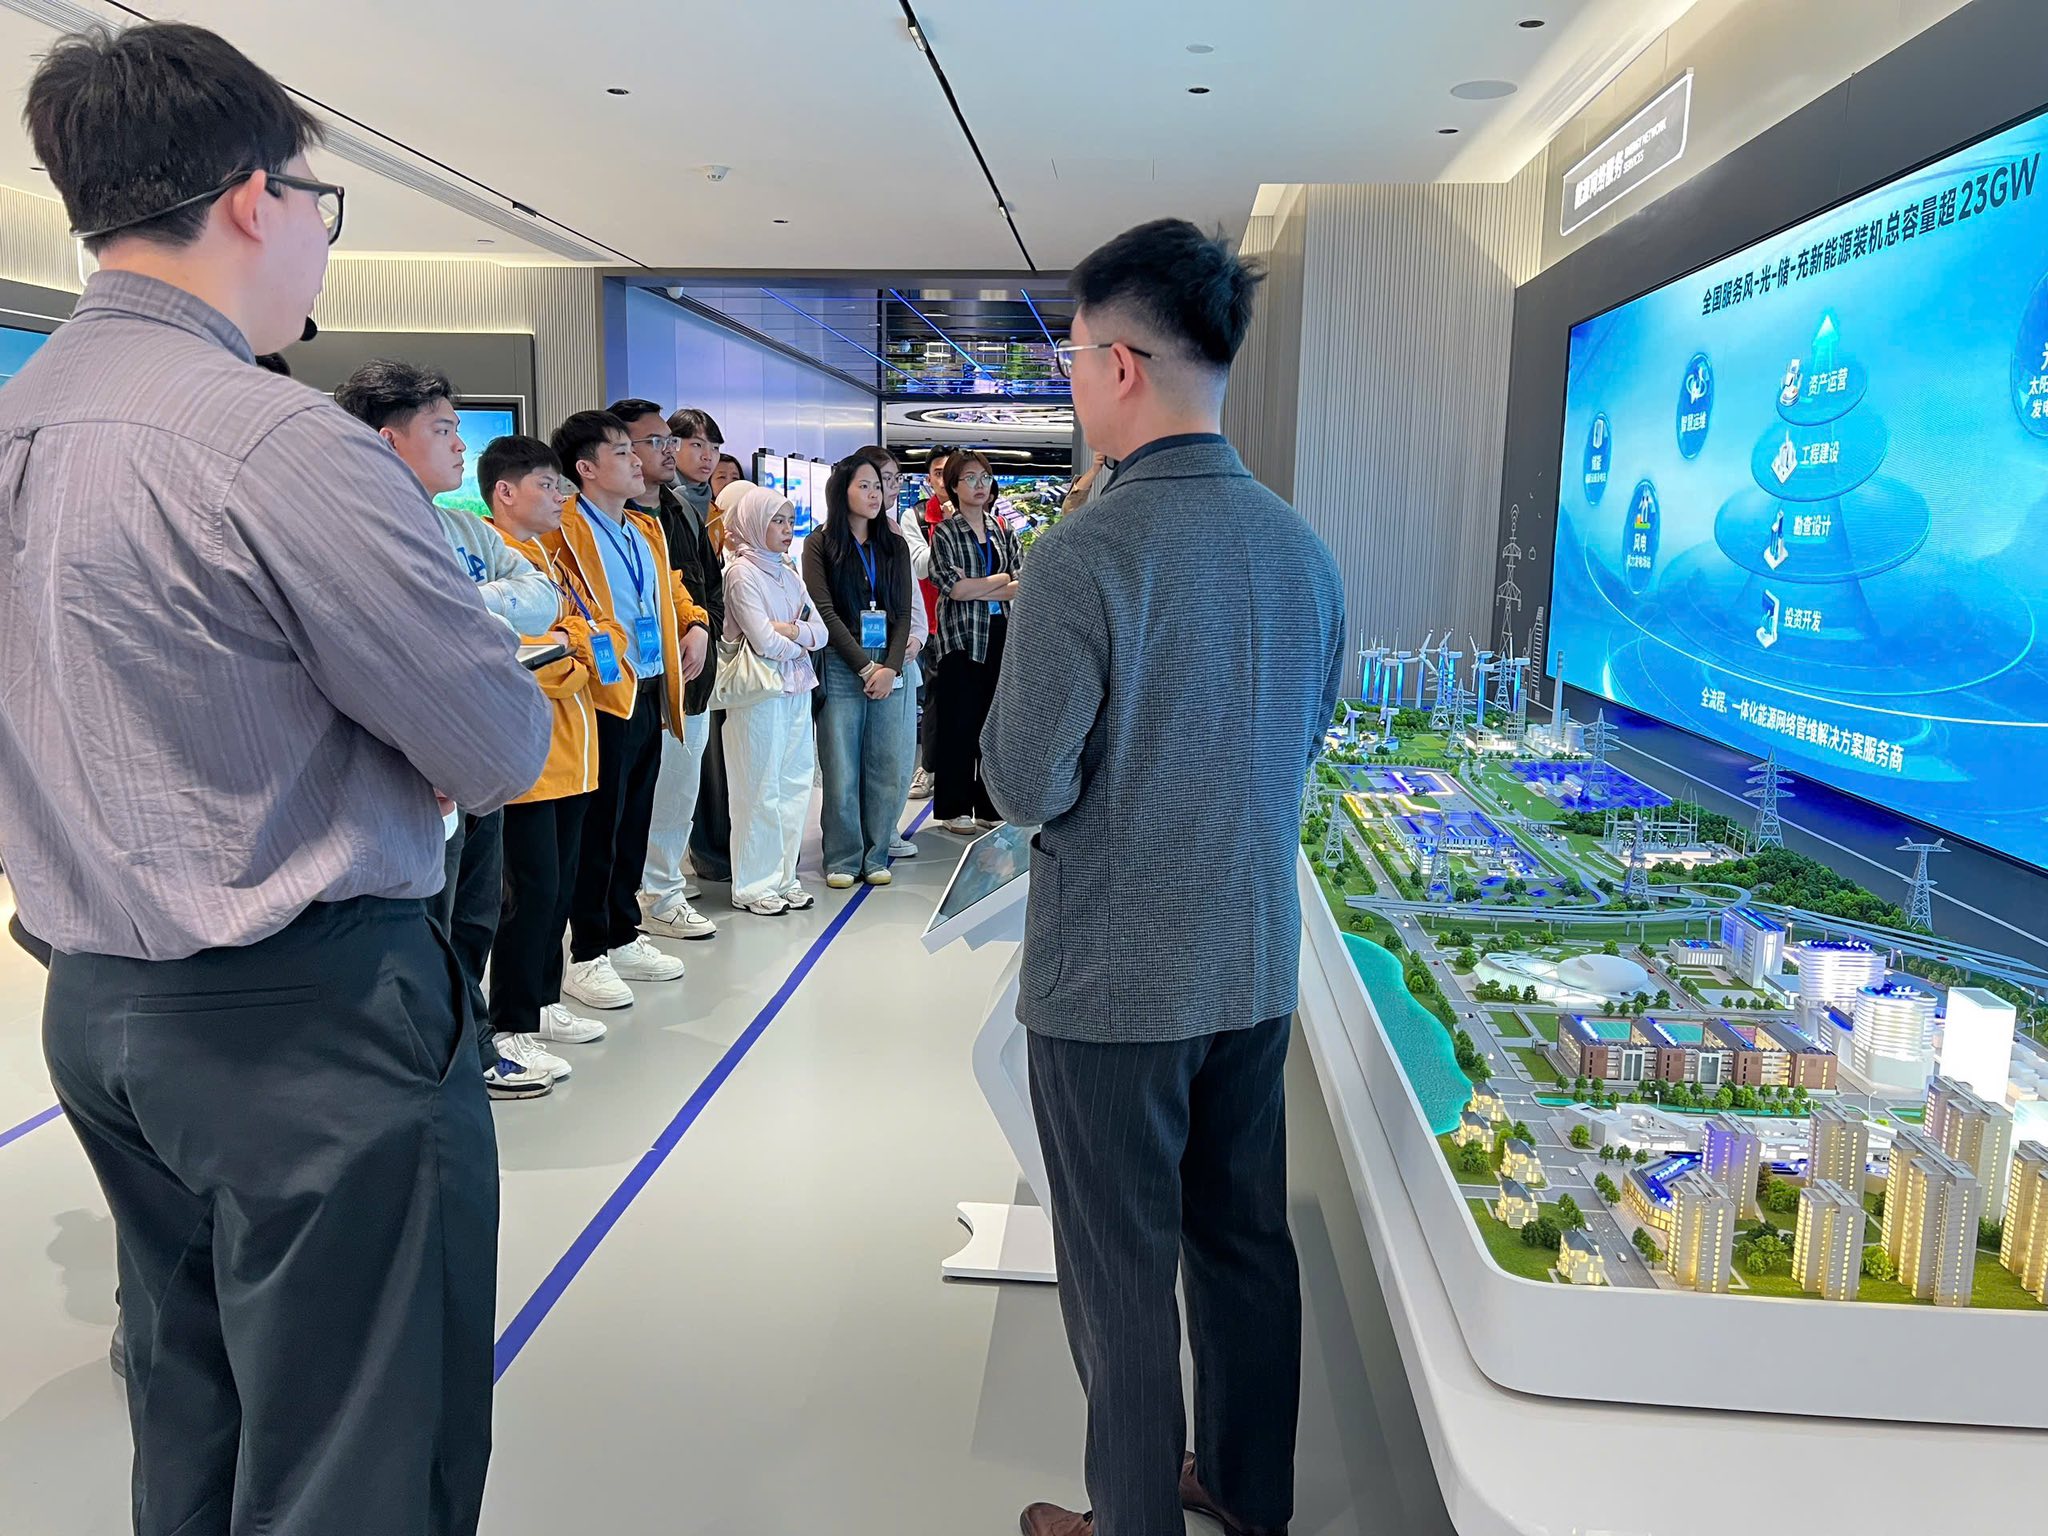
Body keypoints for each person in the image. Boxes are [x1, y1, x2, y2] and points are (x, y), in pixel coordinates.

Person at [3, 22, 551, 1536]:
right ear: (257, 198)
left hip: (99, 1009)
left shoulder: (20, 420)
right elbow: (496, 741)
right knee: (359, 1449)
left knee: (194, 1411)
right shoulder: (272, 442)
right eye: (322, 202)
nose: (320, 236)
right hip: (306, 1020)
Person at [980, 218, 1347, 1536]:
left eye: (1074, 357)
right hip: (1249, 963)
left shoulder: (1085, 553)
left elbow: (1023, 785)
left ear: (1121, 366)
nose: (1072, 381)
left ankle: (1132, 1518)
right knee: (1243, 1241)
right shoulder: (1302, 550)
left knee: (1120, 1274)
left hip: (1110, 985)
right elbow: (1304, 741)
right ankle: (1247, 1496)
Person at [335, 358, 560, 1098]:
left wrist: (464, 602)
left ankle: (471, 1045)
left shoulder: (463, 528)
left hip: (476, 759)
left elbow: (542, 599)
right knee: (420, 927)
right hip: (413, 770)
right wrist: (475, 606)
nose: (462, 444)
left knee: (475, 915)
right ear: (388, 440)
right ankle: (426, 1067)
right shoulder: (356, 532)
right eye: (442, 429)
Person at [480, 434, 625, 1082]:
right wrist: (575, 647)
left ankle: (541, 1003)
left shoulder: (553, 556)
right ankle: (510, 1025)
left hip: (576, 750)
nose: (559, 496)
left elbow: (604, 634)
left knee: (558, 889)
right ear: (505, 493)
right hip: (529, 761)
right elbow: (529, 661)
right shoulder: (493, 563)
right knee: (528, 894)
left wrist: (574, 644)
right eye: (546, 485)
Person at [547, 410, 700, 1009]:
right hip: (601, 694)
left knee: (634, 819)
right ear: (585, 469)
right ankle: (586, 953)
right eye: (622, 452)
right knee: (597, 829)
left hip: (650, 686)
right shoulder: (563, 528)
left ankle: (621, 932)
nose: (638, 460)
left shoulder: (644, 529)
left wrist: (695, 622)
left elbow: (671, 588)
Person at [611, 399, 719, 942]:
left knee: (678, 791)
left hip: (688, 680)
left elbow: (709, 588)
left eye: (668, 440)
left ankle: (662, 893)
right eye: (654, 442)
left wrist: (700, 629)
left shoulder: (681, 512)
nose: (667, 450)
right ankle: (624, 908)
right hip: (630, 686)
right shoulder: (603, 520)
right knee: (628, 803)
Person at [804, 454, 925, 886]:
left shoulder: (894, 544)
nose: (875, 495)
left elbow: (902, 612)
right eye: (865, 486)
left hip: (890, 663)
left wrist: (889, 667)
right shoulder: (819, 543)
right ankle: (842, 857)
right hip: (843, 662)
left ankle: (876, 855)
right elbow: (824, 611)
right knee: (840, 766)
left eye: (879, 486)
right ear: (843, 490)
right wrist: (864, 665)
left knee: (886, 763)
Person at [719, 485, 826, 915]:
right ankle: (753, 885)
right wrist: (796, 638)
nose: (786, 529)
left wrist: (792, 632)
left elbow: (820, 633)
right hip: (759, 693)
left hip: (796, 688)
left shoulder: (789, 572)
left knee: (795, 786)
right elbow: (763, 641)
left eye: (789, 520)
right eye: (776, 521)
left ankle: (784, 878)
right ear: (752, 523)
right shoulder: (740, 573)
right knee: (757, 788)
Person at [929, 449, 1022, 835]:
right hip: (962, 639)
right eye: (970, 478)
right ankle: (953, 807)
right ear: (953, 486)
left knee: (994, 725)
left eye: (984, 477)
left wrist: (980, 586)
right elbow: (953, 588)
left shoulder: (1002, 528)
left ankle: (988, 804)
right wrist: (998, 581)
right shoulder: (945, 533)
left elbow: (1020, 582)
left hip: (1002, 635)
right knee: (958, 724)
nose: (979, 485)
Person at [908, 448, 950, 801]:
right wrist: (951, 530)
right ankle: (930, 767)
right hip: (933, 624)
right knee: (934, 702)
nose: (945, 480)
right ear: (929, 479)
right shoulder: (918, 517)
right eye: (938, 473)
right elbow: (922, 566)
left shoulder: (987, 516)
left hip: (977, 624)